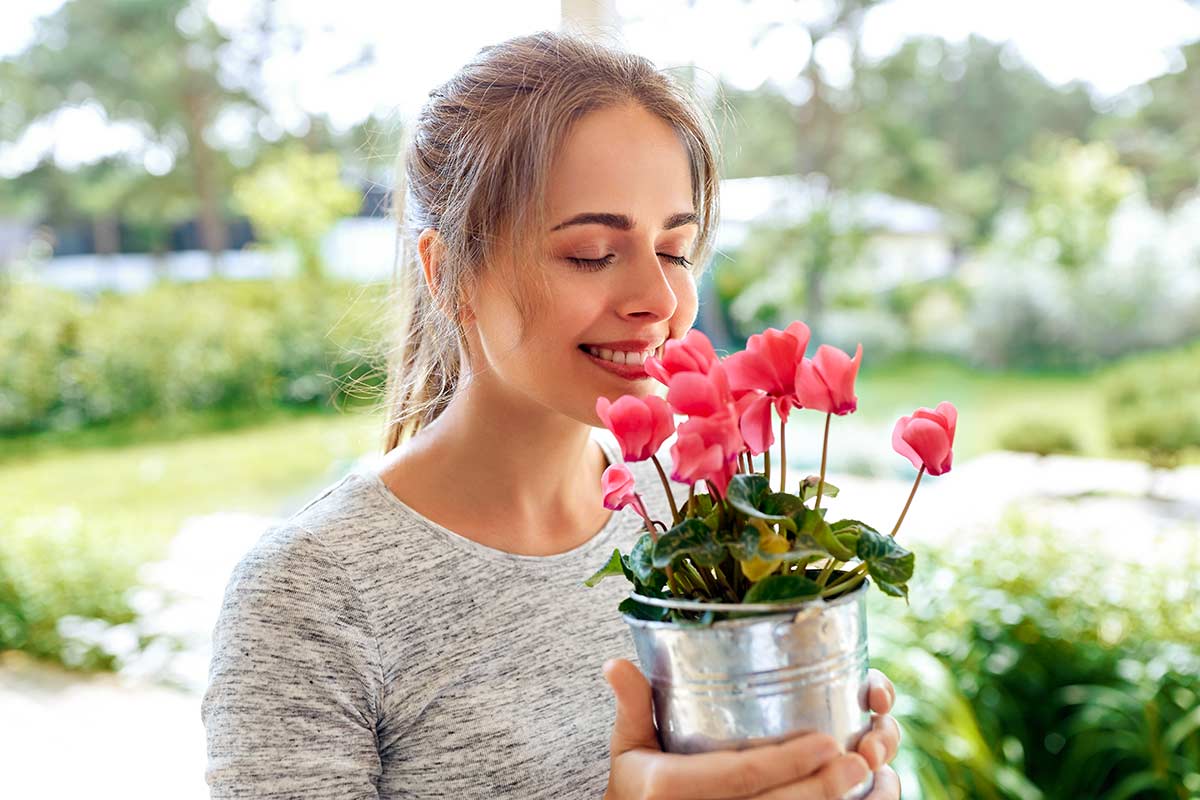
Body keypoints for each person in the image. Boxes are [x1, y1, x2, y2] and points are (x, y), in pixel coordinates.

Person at [201, 30, 902, 799]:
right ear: (450, 273)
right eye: (593, 253)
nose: (660, 302)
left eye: (675, 250)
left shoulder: (702, 519)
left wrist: (849, 783)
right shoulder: (311, 593)